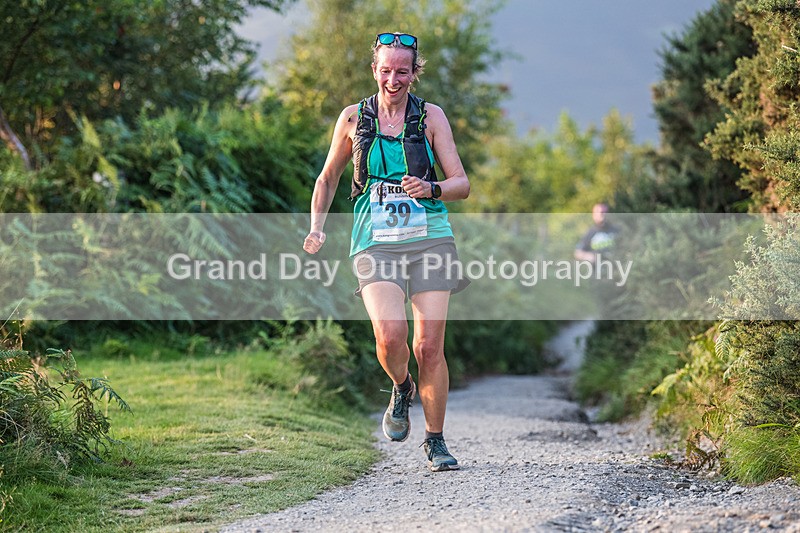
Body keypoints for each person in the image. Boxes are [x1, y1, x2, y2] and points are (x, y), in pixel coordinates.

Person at [302, 32, 470, 472]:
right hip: (374, 239)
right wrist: (317, 227)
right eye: (386, 70)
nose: (393, 79)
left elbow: (461, 183)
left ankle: (435, 441)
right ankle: (401, 386)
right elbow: (327, 178)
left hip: (430, 235)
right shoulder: (352, 119)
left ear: (415, 72)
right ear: (374, 69)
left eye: (403, 70)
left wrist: (430, 187)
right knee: (390, 338)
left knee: (429, 345)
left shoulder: (431, 117)